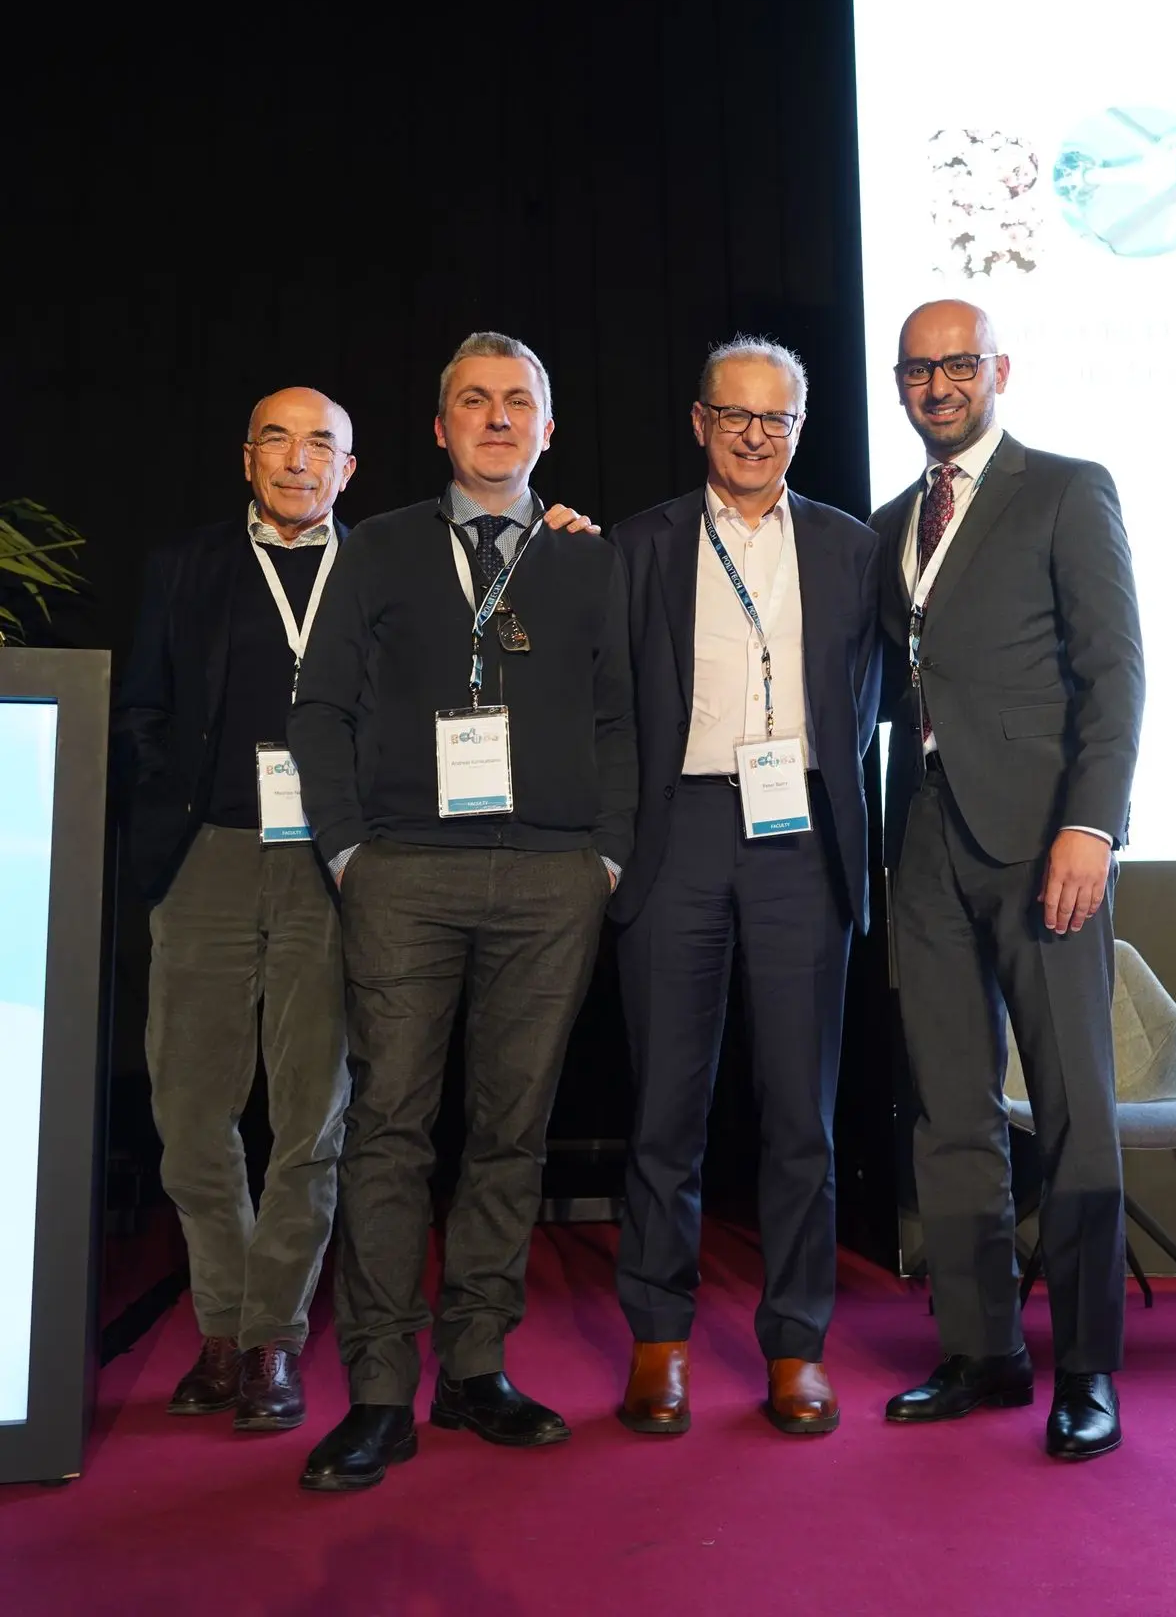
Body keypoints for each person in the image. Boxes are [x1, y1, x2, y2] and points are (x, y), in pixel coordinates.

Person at [289, 330, 636, 1492]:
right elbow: (320, 708)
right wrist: (348, 851)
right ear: (439, 428)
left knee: (511, 1132)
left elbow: (620, 719)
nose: (495, 419)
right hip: (403, 874)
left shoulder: (588, 557)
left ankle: (476, 1365)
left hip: (550, 879)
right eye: (473, 402)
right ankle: (380, 1390)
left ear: (547, 428)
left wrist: (606, 858)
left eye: (516, 402)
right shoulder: (380, 548)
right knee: (389, 1129)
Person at [871, 299, 1144, 1461]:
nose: (937, 385)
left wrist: (1090, 824)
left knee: (1073, 1106)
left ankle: (1085, 1368)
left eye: (957, 365)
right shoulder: (889, 521)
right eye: (916, 370)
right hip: (922, 837)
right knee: (949, 1108)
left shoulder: (1066, 489)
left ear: (998, 370)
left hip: (1043, 843)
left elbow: (1114, 671)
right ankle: (981, 1349)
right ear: (897, 384)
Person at [609, 336, 881, 1437]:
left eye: (776, 419)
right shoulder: (638, 544)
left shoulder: (853, 549)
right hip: (676, 830)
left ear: (799, 429)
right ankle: (658, 1340)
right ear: (699, 421)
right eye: (735, 415)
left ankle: (796, 1345)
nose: (755, 436)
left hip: (798, 832)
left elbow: (870, 692)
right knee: (664, 1110)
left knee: (799, 1116)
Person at [116, 387, 358, 1432]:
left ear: (348, 468)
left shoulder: (381, 568)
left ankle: (271, 1341)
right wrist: (168, 805)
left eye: (320, 444)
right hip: (207, 856)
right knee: (188, 1112)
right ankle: (223, 1320)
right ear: (246, 457)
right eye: (277, 439)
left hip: (330, 867)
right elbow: (142, 708)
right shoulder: (188, 567)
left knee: (311, 1114)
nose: (298, 459)